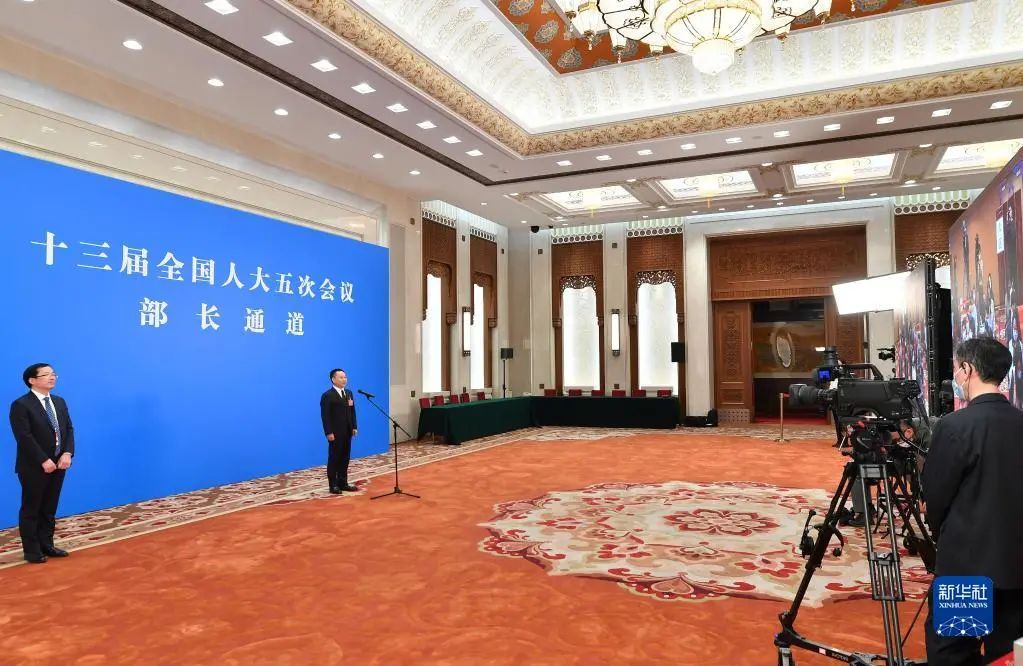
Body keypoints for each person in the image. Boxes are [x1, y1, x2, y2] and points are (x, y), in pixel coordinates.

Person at [922, 337, 1023, 664]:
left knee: (954, 653)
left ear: (967, 370)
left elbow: (936, 496)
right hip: (1016, 568)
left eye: (956, 369)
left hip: (967, 569)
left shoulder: (955, 426)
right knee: (1008, 655)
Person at [9, 363, 74, 564]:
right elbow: (24, 436)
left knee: (49, 507)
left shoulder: (59, 402)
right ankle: (32, 550)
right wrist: (43, 459)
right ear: (32, 380)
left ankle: (47, 544)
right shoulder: (21, 405)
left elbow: (68, 429)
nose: (52, 377)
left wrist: (67, 453)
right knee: (32, 508)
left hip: (59, 464)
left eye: (53, 374)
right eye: (46, 374)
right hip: (34, 466)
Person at [319, 369, 358, 494]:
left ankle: (343, 482)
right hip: (335, 433)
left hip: (347, 431)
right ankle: (333, 485)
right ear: (333, 379)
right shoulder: (327, 395)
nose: (344, 379)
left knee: (345, 458)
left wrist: (354, 427)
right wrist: (328, 432)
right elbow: (325, 416)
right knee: (334, 458)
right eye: (341, 377)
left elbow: (352, 411)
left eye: (345, 377)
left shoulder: (349, 393)